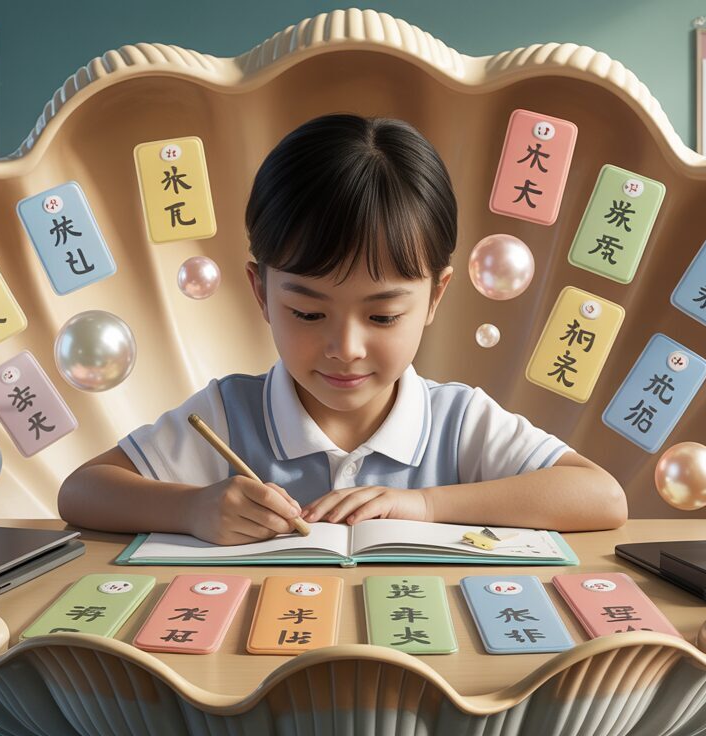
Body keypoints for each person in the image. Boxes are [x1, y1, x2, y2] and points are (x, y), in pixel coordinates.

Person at [58, 113, 627, 545]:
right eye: (308, 313)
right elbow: (81, 491)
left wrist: (425, 507)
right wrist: (192, 509)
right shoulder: (231, 412)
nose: (345, 348)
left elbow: (601, 497)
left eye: (382, 316)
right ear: (261, 292)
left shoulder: (458, 421)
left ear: (436, 296)